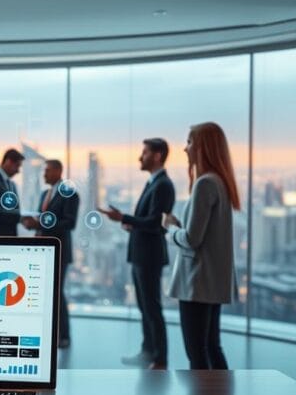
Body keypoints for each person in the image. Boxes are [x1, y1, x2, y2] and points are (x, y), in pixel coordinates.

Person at [163, 122, 240, 370]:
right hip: (212, 280)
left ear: (202, 147)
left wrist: (170, 230)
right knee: (212, 346)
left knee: (197, 352)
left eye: (189, 142)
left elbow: (192, 240)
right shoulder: (220, 182)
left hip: (197, 282)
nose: (185, 149)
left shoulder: (205, 183)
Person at [99, 138, 175, 370]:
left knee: (152, 307)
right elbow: (148, 221)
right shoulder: (154, 182)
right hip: (142, 254)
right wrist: (130, 223)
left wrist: (123, 218)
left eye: (145, 153)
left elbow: (155, 223)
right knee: (145, 307)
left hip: (149, 256)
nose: (140, 157)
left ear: (158, 156)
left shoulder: (163, 185)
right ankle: (148, 352)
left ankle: (160, 359)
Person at [23, 159, 79, 349]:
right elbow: (43, 219)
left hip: (60, 250)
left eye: (47, 170)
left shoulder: (69, 193)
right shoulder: (45, 194)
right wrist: (32, 223)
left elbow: (69, 223)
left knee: (57, 293)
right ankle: (50, 334)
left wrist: (40, 224)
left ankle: (64, 336)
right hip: (43, 251)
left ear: (58, 171)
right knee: (46, 294)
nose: (44, 174)